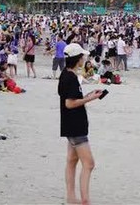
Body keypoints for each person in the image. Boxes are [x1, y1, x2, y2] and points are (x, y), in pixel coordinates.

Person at [58, 43, 104, 205]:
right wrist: (90, 98)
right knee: (89, 163)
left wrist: (87, 95)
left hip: (70, 124)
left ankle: (71, 197)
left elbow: (71, 98)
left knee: (71, 160)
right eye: (82, 56)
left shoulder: (66, 74)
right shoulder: (70, 77)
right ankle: (85, 200)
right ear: (77, 58)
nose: (84, 58)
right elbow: (69, 103)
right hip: (75, 125)